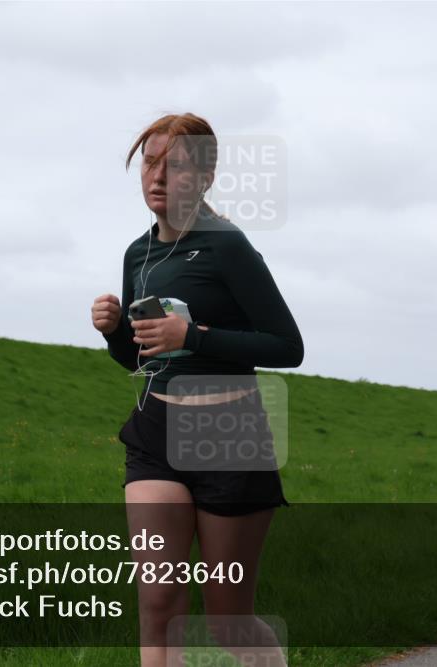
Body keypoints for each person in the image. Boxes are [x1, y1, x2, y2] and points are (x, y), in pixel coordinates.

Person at [91, 112, 303, 667]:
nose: (158, 176)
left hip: (228, 437)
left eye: (176, 165)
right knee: (158, 606)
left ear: (205, 177)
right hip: (156, 434)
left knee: (228, 621)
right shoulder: (137, 254)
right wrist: (115, 331)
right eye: (150, 162)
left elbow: (287, 346)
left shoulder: (227, 246)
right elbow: (140, 360)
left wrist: (196, 335)